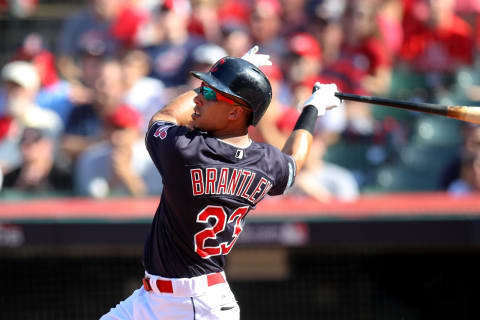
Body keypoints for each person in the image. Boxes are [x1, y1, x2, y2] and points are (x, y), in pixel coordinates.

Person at [99, 46, 341, 319]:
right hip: (160, 298)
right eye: (202, 88)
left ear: (235, 113)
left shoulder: (187, 150)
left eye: (210, 92)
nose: (200, 96)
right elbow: (294, 161)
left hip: (193, 305)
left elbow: (163, 117)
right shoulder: (264, 161)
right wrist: (312, 109)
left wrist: (236, 70)